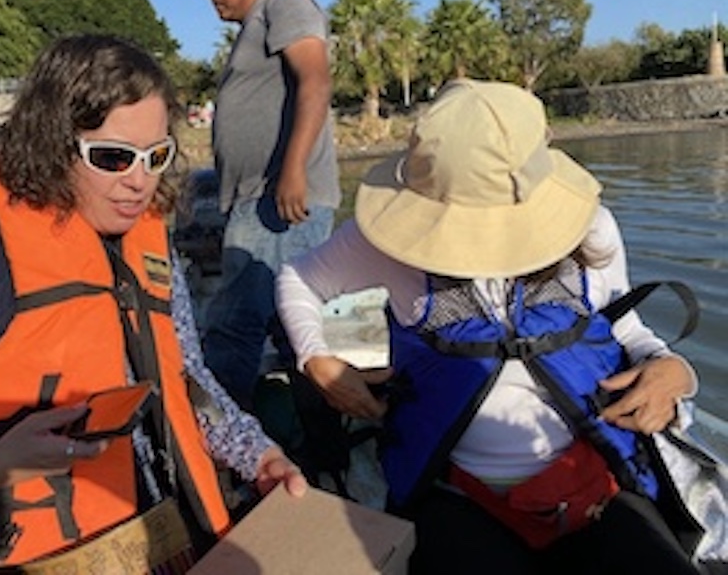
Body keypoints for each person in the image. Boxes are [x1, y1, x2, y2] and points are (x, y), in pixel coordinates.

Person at [0, 34, 306, 574]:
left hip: (146, 537)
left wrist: (256, 455)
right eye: (113, 158)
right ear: (53, 144)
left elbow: (188, 380)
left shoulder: (150, 246)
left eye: (156, 157)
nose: (139, 182)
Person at [276, 79, 704, 574]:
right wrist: (316, 359)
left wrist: (673, 369)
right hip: (458, 493)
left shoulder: (592, 228)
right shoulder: (384, 244)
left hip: (592, 479)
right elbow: (297, 279)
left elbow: (622, 328)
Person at [183, 0, 341, 411]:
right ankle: (320, 441)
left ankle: (219, 440)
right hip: (255, 201)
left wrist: (292, 171)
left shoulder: (283, 2)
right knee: (292, 329)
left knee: (234, 325)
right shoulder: (253, 27)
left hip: (276, 200)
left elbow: (315, 80)